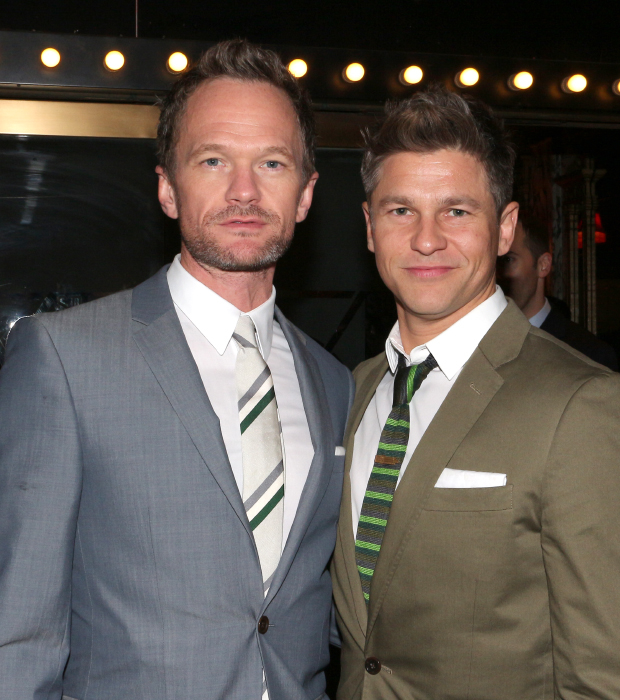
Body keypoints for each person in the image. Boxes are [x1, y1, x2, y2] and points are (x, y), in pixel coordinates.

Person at [0, 39, 354, 700]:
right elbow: (18, 633)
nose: (243, 191)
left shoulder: (333, 382)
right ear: (167, 187)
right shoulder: (63, 359)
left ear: (305, 194)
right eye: (213, 159)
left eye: (272, 163)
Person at [331, 86, 620, 700]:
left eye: (457, 211)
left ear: (505, 229)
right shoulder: (353, 391)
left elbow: (603, 676)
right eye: (400, 210)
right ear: (369, 227)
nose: (427, 239)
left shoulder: (582, 405)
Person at [498, 212, 617, 370]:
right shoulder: (474, 341)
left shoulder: (589, 355)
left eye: (507, 259)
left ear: (543, 265)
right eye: (491, 261)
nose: (495, 274)